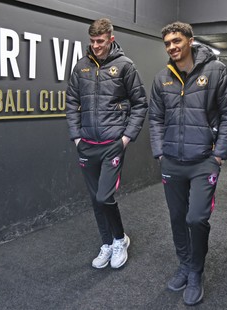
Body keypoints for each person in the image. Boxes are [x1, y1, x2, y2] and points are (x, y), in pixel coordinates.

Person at [149, 22, 227, 305]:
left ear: (190, 40)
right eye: (167, 44)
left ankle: (196, 272)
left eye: (177, 41)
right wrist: (160, 152)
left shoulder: (216, 71)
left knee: (196, 218)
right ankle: (184, 265)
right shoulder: (162, 77)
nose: (172, 47)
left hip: (204, 161)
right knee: (177, 218)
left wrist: (219, 154)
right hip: (172, 162)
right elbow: (154, 118)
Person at [66, 18, 148, 269]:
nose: (95, 46)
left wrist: (125, 138)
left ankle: (120, 239)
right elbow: (71, 103)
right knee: (94, 198)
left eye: (100, 41)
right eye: (92, 41)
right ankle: (107, 242)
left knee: (104, 195)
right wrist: (77, 137)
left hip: (112, 142)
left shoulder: (125, 66)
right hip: (87, 144)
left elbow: (140, 104)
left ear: (111, 39)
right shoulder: (81, 67)